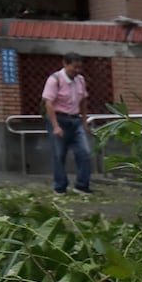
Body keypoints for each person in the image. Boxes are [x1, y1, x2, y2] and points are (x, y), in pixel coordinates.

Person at [41, 52, 92, 195]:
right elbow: (49, 104)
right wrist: (56, 126)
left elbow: (84, 101)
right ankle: (60, 186)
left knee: (84, 152)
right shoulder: (54, 80)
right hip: (59, 119)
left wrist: (84, 121)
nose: (77, 71)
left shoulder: (80, 80)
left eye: (79, 68)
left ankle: (82, 185)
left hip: (75, 120)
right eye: (74, 67)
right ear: (65, 64)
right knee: (59, 154)